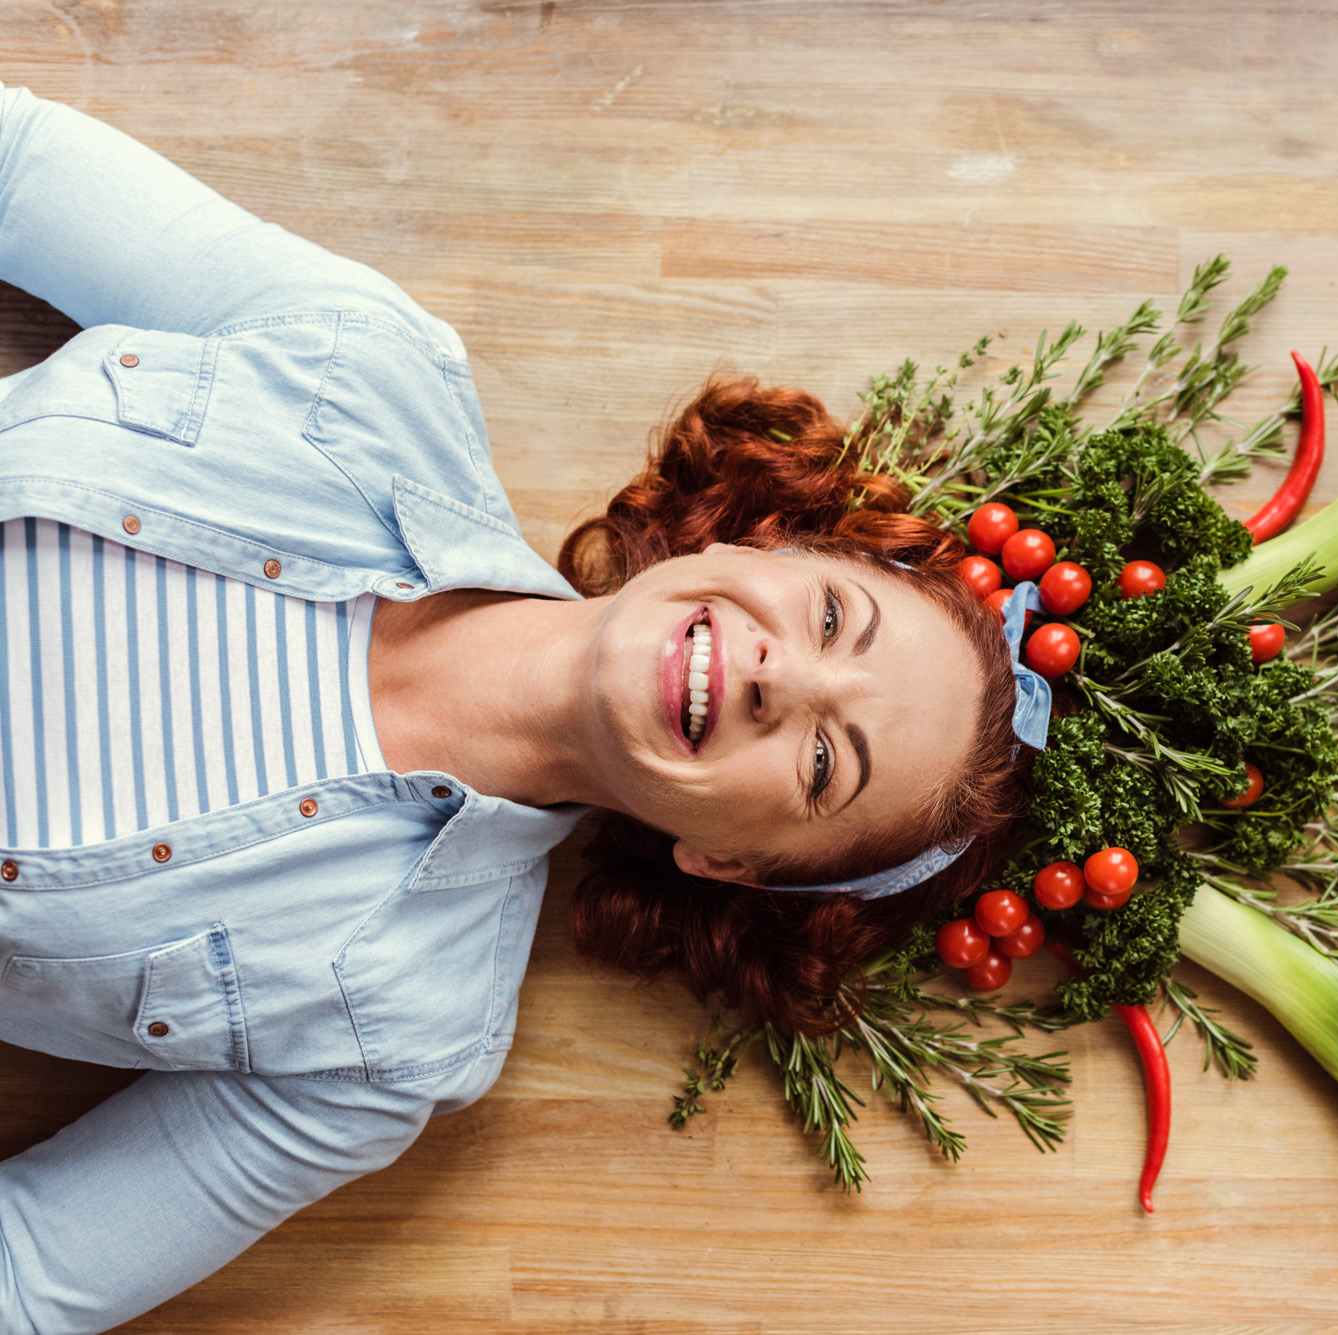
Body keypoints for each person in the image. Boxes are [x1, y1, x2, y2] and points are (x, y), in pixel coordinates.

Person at [0, 82, 1027, 1333]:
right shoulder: (364, 372)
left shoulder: (392, 1041)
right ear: (769, 547)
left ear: (734, 862)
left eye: (826, 761)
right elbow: (18, 163)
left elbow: (33, 1273)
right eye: (828, 618)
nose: (783, 674)